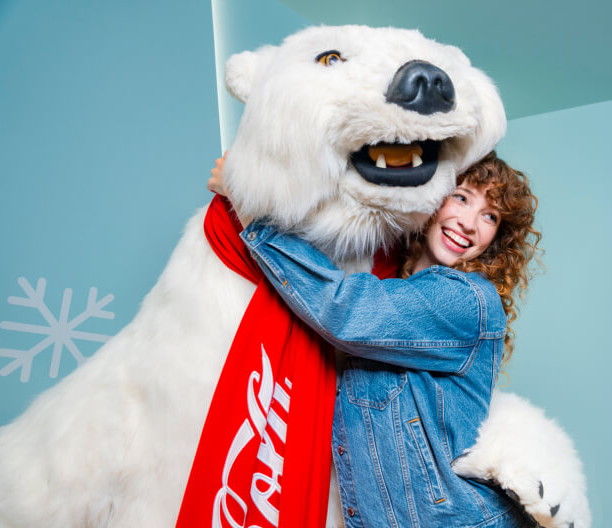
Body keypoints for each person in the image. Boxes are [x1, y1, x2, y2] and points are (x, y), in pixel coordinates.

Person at [209, 151, 541, 527]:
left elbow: (344, 310)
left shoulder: (466, 300)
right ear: (432, 199)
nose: (468, 223)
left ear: (496, 238)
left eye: (490, 216)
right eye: (462, 197)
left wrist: (251, 211)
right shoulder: (395, 285)